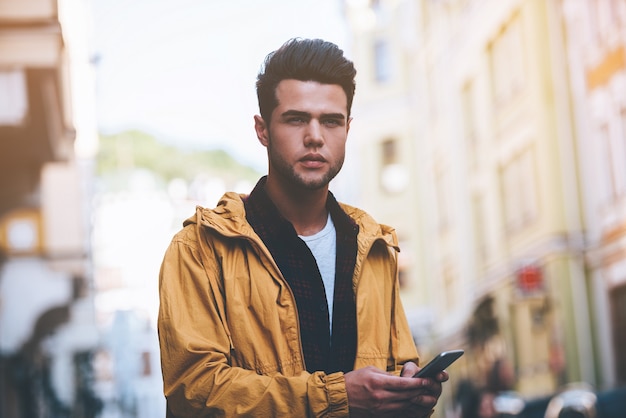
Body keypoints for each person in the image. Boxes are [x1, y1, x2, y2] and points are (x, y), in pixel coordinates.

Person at [158, 37, 449, 417]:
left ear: (347, 128)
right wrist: (336, 395)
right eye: (296, 119)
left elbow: (391, 375)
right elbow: (192, 394)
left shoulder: (374, 245)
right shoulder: (199, 249)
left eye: (331, 121)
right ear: (262, 130)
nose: (315, 136)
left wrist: (409, 393)